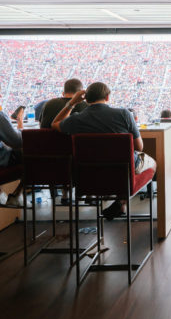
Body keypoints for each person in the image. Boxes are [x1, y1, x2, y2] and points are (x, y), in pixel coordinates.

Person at [51, 82, 156, 220]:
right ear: (107, 97)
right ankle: (122, 200)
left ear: (86, 99)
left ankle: (120, 202)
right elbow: (139, 147)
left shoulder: (76, 119)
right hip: (121, 175)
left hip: (89, 178)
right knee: (152, 163)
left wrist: (71, 103)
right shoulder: (124, 114)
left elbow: (54, 124)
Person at [0, 75, 25, 206]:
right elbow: (17, 142)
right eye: (0, 93)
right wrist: (20, 124)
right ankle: (17, 195)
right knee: (31, 153)